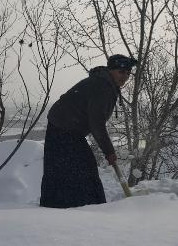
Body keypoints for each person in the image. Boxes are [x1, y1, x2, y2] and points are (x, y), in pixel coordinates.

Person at [40, 54, 136, 208]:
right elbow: (96, 123)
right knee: (80, 168)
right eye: (121, 71)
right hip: (63, 127)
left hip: (67, 128)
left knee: (75, 167)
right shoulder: (103, 86)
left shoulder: (106, 83)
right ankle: (85, 206)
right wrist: (109, 151)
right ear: (111, 70)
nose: (125, 76)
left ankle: (72, 204)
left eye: (127, 73)